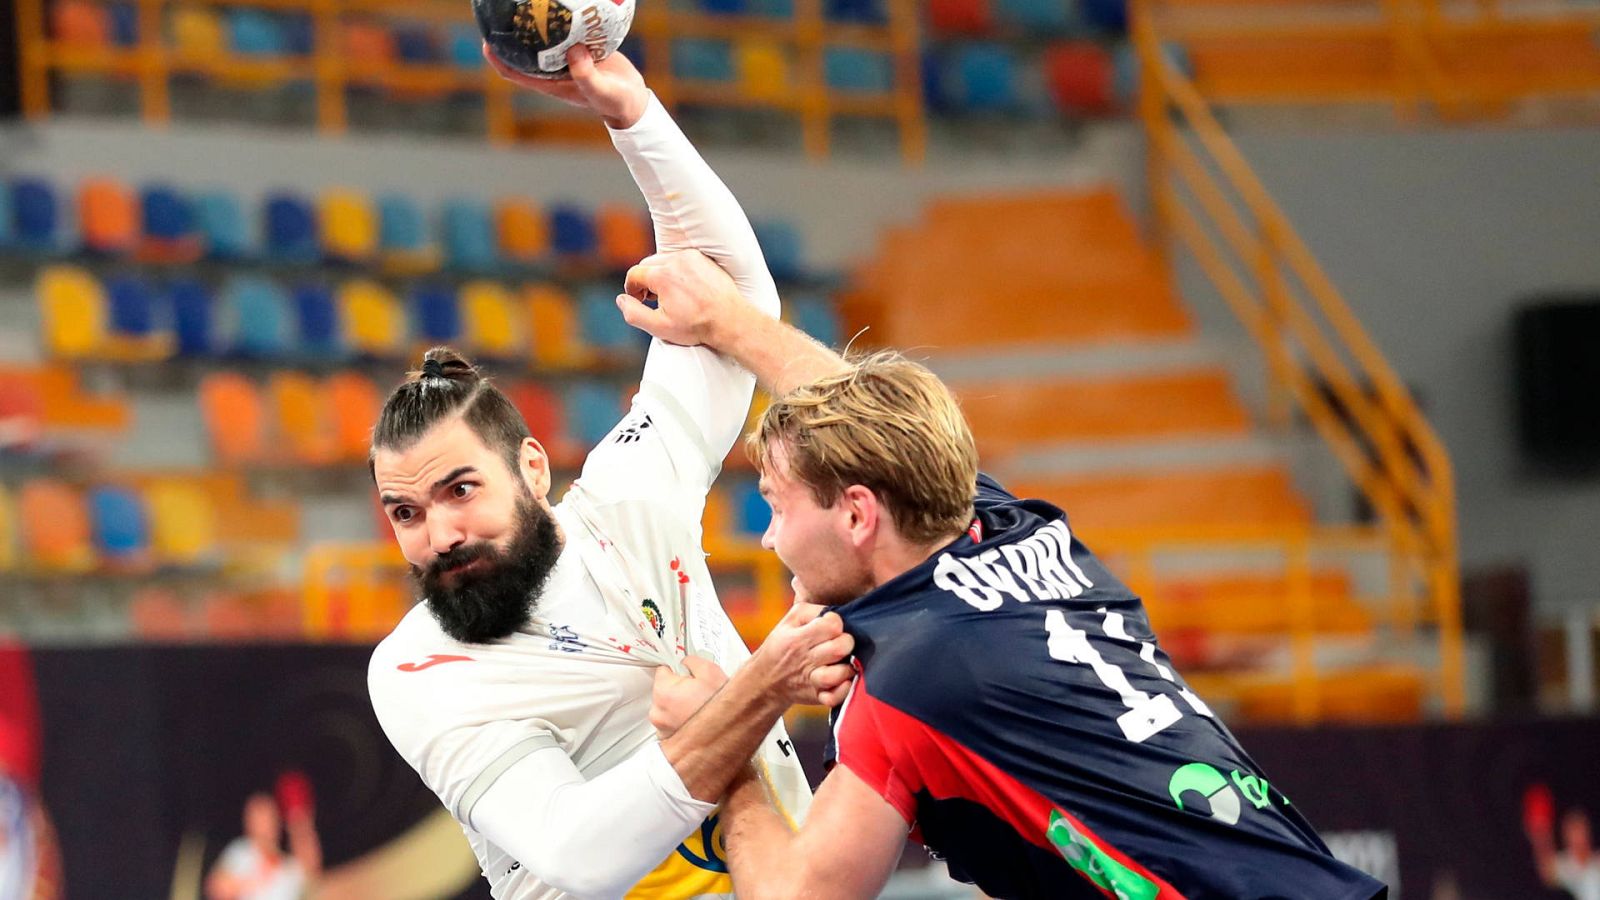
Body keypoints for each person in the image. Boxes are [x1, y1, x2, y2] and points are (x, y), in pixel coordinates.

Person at [626, 249, 1390, 900]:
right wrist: (729, 323)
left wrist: (731, 754)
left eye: (777, 508)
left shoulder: (910, 684)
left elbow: (798, 893)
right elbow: (863, 421)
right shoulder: (997, 525)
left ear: (858, 516)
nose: (768, 542)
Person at [365, 48, 852, 900]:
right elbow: (577, 851)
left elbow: (729, 294)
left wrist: (634, 117)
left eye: (459, 491)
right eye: (404, 512)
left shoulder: (630, 498)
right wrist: (763, 687)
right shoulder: (418, 667)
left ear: (532, 466)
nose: (438, 535)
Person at [204, 793, 320, 900]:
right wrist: (251, 880)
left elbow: (313, 876)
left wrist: (300, 826)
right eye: (258, 817)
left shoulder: (289, 867)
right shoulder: (242, 851)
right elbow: (215, 888)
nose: (264, 823)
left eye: (269, 816)